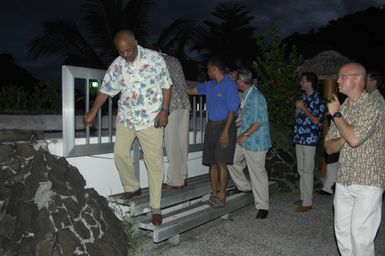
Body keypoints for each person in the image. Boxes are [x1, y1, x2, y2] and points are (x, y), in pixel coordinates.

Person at [83, 30, 172, 226]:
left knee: (154, 163)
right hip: (126, 118)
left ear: (136, 43)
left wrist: (164, 110)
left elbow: (166, 86)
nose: (125, 55)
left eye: (129, 50)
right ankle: (132, 186)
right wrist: (92, 113)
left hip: (151, 118)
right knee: (120, 153)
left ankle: (155, 206)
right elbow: (105, 90)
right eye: (121, 51)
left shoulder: (155, 59)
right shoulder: (118, 65)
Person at [325, 63, 385, 256]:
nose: (338, 80)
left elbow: (355, 139)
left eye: (343, 76)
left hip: (368, 181)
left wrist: (336, 116)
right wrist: (345, 132)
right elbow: (329, 147)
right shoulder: (343, 107)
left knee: (361, 237)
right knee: (342, 234)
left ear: (358, 78)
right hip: (343, 179)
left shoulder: (374, 105)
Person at [186, 56, 240, 208]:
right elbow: (191, 90)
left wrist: (225, 131)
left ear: (215, 68)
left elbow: (232, 110)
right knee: (212, 162)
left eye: (208, 68)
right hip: (211, 126)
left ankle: (222, 196)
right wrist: (175, 80)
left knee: (222, 162)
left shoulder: (229, 85)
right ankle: (214, 193)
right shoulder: (209, 85)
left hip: (225, 126)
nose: (207, 71)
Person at [227, 69, 272, 219]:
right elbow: (247, 118)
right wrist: (234, 126)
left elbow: (259, 121)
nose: (234, 83)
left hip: (256, 142)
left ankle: (263, 206)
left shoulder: (257, 96)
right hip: (245, 139)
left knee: (258, 173)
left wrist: (244, 135)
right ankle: (245, 186)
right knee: (230, 159)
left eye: (235, 81)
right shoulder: (247, 95)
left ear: (240, 82)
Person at [293, 72, 325, 212]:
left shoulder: (318, 99)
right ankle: (303, 197)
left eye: (303, 81)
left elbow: (316, 121)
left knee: (307, 170)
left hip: (310, 139)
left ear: (309, 83)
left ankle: (307, 202)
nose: (300, 83)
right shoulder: (303, 97)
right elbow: (297, 118)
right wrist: (297, 108)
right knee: (301, 170)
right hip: (299, 138)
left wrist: (304, 108)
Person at [161, 53, 191, 189]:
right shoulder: (175, 59)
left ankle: (174, 180)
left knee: (172, 144)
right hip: (184, 102)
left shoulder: (153, 60)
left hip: (171, 104)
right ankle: (183, 176)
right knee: (182, 142)